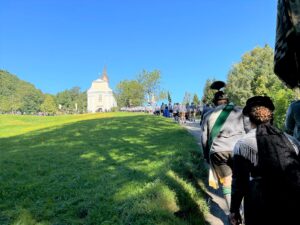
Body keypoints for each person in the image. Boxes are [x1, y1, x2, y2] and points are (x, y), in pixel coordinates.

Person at [229, 96, 300, 225]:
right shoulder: (292, 141)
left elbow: (239, 181)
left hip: (259, 207)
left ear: (249, 119)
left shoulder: (243, 144)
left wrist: (234, 210)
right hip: (292, 204)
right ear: (271, 116)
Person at [201, 90, 250, 211]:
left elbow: (204, 138)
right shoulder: (240, 110)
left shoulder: (208, 115)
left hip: (218, 151)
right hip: (239, 149)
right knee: (243, 181)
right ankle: (244, 212)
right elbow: (249, 130)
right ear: (227, 101)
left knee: (227, 183)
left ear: (214, 103)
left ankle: (234, 215)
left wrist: (206, 156)